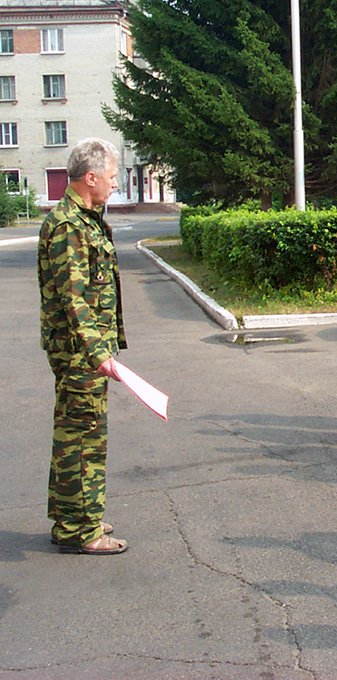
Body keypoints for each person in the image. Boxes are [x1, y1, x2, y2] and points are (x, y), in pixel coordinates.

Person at [38, 137, 128, 555]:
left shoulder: (84, 219)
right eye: (111, 176)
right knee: (83, 438)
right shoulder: (69, 226)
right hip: (80, 353)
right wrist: (99, 353)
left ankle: (73, 516)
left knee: (74, 432)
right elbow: (73, 299)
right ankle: (81, 530)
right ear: (90, 178)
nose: (114, 183)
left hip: (82, 350)